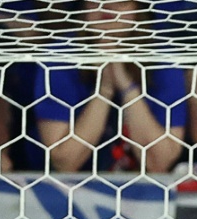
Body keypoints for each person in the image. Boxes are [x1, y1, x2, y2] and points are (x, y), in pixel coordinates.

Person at [32, 0, 187, 173]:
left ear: (138, 9)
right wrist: (104, 90)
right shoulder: (59, 58)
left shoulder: (163, 60)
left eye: (121, 2)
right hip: (63, 191)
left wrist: (126, 86)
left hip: (145, 192)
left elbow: (159, 162)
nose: (108, 6)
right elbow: (65, 162)